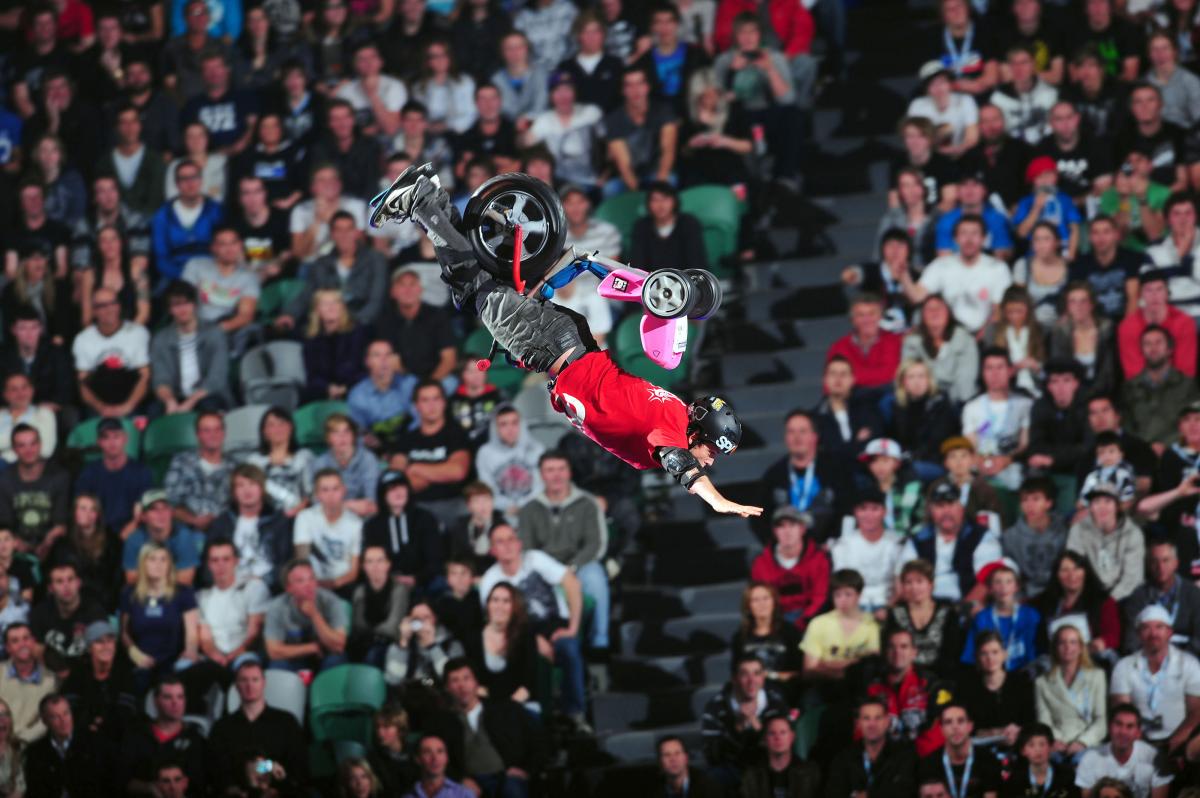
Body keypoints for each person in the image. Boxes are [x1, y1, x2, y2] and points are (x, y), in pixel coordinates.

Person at [478, 523, 588, 728]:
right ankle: (537, 716)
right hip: (517, 634)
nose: (508, 545)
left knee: (569, 647)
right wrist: (534, 641)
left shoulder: (535, 559)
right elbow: (496, 621)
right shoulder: (490, 580)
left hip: (554, 624)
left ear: (519, 543)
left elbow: (572, 583)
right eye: (500, 542)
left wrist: (572, 628)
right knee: (524, 656)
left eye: (511, 539)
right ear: (492, 550)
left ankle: (575, 713)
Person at [516, 451, 608, 652]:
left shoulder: (587, 503)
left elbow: (595, 544)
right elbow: (526, 548)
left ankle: (599, 642)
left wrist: (572, 567)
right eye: (550, 470)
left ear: (569, 472)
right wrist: (551, 572)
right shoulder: (529, 508)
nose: (556, 475)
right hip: (544, 571)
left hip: (579, 566)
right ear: (541, 475)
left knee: (596, 576)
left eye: (561, 469)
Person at [439, 657, 546, 798]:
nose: (462, 685)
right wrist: (459, 779)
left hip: (506, 777)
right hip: (469, 781)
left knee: (512, 790)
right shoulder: (441, 722)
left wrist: (527, 769)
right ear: (447, 687)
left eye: (466, 678)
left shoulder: (503, 710)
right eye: (455, 680)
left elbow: (539, 739)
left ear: (476, 682)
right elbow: (432, 759)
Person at [209, 658, 309, 794]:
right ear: (236, 685)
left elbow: (299, 768)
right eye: (244, 680)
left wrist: (265, 769)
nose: (249, 685)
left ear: (264, 683)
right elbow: (216, 771)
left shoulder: (286, 722)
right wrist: (262, 767)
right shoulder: (222, 728)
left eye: (255, 680)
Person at [1110, 604, 1200, 752]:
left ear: (1170, 632)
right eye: (1146, 628)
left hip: (1179, 740)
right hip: (1135, 741)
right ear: (1138, 634)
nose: (1153, 634)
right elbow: (1121, 711)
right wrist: (1139, 745)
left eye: (1159, 627)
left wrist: (1176, 741)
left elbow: (1196, 711)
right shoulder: (1123, 666)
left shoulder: (1190, 664)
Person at [903, 216, 1013, 335]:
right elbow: (917, 296)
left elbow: (999, 311)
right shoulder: (941, 265)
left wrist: (985, 333)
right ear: (955, 239)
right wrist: (903, 275)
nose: (969, 239)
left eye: (975, 233)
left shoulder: (997, 268)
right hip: (947, 335)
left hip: (985, 335)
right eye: (963, 233)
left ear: (984, 238)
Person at [280, 211, 388, 331]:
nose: (344, 235)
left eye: (349, 230)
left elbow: (376, 300)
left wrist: (355, 323)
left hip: (363, 323)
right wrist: (289, 314)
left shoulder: (375, 260)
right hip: (329, 323)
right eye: (339, 230)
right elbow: (307, 295)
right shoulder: (321, 264)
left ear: (356, 233)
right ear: (332, 234)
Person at [902, 482, 1003, 604]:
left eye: (951, 504)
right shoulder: (918, 539)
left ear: (962, 508)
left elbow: (986, 581)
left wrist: (963, 610)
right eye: (940, 506)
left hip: (965, 607)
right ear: (931, 510)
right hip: (926, 608)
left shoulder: (981, 536)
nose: (946, 512)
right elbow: (903, 578)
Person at [388, 380, 473, 524]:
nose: (431, 406)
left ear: (444, 403)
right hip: (416, 507)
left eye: (436, 399)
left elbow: (457, 471)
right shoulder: (406, 439)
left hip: (453, 503)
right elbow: (396, 481)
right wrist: (440, 473)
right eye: (425, 400)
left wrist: (415, 468)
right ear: (416, 406)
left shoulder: (456, 433)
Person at [861, 626, 952, 757]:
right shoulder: (872, 688)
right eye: (891, 647)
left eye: (904, 647)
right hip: (887, 762)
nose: (897, 652)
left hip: (925, 760)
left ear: (914, 652)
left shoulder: (931, 684)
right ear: (885, 652)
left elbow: (937, 732)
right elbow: (864, 733)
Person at [119, 543, 199, 690]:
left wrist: (189, 652)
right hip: (140, 662)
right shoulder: (129, 593)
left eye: (164, 559)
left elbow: (192, 635)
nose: (159, 564)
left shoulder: (184, 593)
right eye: (153, 559)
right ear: (143, 563)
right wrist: (135, 654)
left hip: (173, 663)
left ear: (170, 564)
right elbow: (124, 633)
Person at [699, 654, 788, 783]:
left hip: (768, 768)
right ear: (734, 679)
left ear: (763, 678)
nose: (751, 680)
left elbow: (785, 750)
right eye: (744, 674)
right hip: (732, 769)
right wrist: (737, 728)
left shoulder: (776, 703)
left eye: (757, 673)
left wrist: (759, 728)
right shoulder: (716, 707)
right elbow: (712, 756)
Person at [150, 279, 232, 415]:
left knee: (209, 406)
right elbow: (160, 379)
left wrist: (190, 402)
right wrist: (169, 401)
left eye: (186, 303)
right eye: (176, 305)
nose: (182, 309)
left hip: (208, 395)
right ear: (170, 309)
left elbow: (216, 379)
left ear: (194, 304)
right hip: (177, 395)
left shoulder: (214, 333)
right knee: (155, 410)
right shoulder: (161, 339)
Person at [207, 464, 295, 589]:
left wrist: (263, 580)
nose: (247, 490)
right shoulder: (222, 523)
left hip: (269, 588)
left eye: (252, 484)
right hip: (230, 588)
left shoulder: (279, 521)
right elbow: (208, 565)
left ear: (262, 488)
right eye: (240, 485)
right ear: (233, 492)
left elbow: (286, 564)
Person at [118, 676, 208, 796]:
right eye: (168, 697)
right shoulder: (137, 736)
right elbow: (122, 780)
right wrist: (148, 788)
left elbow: (201, 785)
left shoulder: (196, 740)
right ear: (156, 701)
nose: (175, 702)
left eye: (180, 697)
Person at [72, 286, 151, 418]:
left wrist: (128, 406)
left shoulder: (138, 333)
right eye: (102, 305)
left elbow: (144, 377)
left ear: (119, 306)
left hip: (132, 403)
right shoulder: (82, 339)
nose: (109, 309)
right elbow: (83, 383)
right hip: (98, 406)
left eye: (113, 303)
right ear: (94, 311)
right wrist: (101, 408)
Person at [958, 628, 1037, 756]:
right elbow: (966, 727)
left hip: (1018, 748)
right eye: (984, 653)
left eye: (995, 652)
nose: (990, 658)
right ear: (976, 657)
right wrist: (993, 733)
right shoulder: (967, 688)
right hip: (980, 752)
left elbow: (1031, 721)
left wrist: (1018, 730)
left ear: (1004, 655)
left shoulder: (1022, 683)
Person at [375, 266, 458, 386]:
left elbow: (449, 359)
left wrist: (429, 385)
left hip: (437, 379)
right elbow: (392, 362)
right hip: (403, 379)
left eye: (412, 284)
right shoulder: (385, 321)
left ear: (420, 290)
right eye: (402, 285)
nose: (408, 290)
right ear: (392, 292)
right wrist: (414, 386)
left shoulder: (438, 316)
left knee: (451, 384)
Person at [1032, 550, 1122, 660]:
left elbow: (1113, 636)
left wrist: (1101, 643)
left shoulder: (1103, 601)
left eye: (1077, 568)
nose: (1072, 575)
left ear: (1085, 571)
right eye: (1064, 570)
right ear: (1056, 575)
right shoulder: (1047, 601)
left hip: (1091, 657)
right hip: (1057, 660)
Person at [1035, 622, 1108, 759]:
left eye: (1073, 642)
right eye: (1062, 643)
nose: (1068, 647)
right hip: (1057, 743)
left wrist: (1082, 742)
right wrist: (1056, 740)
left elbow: (1100, 720)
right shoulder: (1042, 682)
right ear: (1055, 648)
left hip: (1088, 742)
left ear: (1081, 647)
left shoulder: (1097, 676)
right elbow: (1044, 722)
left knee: (1082, 760)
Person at [750, 506, 830, 630]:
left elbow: (820, 597)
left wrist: (803, 621)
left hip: (812, 622)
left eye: (792, 525)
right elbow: (760, 600)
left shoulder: (819, 559)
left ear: (802, 529)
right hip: (776, 624)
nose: (787, 531)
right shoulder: (761, 563)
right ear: (775, 531)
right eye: (781, 526)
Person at [263, 558, 348, 672]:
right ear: (289, 588)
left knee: (336, 659)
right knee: (278, 665)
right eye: (300, 581)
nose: (309, 585)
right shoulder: (277, 607)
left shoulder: (331, 601)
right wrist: (312, 647)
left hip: (324, 657)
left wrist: (315, 615)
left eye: (311, 578)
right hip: (294, 658)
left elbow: (338, 646)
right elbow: (273, 651)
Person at [74, 418, 153, 539]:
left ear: (125, 438)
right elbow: (81, 508)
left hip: (132, 533)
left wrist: (133, 526)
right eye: (106, 437)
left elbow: (146, 510)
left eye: (116, 436)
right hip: (98, 534)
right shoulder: (89, 473)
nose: (112, 443)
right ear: (99, 442)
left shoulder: (141, 472)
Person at [825, 696, 918, 798]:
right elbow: (834, 792)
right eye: (866, 718)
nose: (872, 724)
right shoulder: (843, 759)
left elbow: (906, 791)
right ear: (858, 723)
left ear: (887, 722)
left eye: (878, 718)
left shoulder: (904, 755)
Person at [885, 559, 967, 677]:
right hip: (904, 677)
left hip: (941, 677)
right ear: (902, 586)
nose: (914, 587)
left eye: (919, 581)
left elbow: (951, 654)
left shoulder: (948, 613)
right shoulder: (895, 614)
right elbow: (890, 653)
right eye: (908, 582)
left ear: (931, 585)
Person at [196, 539, 270, 669]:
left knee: (245, 666)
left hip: (245, 654)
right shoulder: (201, 596)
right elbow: (205, 639)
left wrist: (232, 656)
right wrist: (216, 656)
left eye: (226, 559)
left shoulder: (254, 587)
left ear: (236, 561)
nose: (221, 565)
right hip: (214, 656)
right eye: (215, 560)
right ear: (208, 564)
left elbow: (254, 634)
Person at [22, 693, 113, 797]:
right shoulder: (36, 752)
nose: (63, 721)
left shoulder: (94, 743)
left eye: (66, 713)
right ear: (44, 721)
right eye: (55, 717)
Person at [1066, 483, 1145, 601]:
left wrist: (1110, 601)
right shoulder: (1078, 530)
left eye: (1108, 501)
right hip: (1088, 595)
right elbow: (1074, 568)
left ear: (1117, 506)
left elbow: (1132, 578)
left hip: (1125, 595)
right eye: (1096, 501)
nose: (1102, 506)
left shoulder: (1132, 533)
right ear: (1090, 507)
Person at [0, 423, 70, 558]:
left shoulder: (59, 476)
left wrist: (47, 543)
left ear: (40, 445)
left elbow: (60, 523)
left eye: (33, 444)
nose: (29, 450)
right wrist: (17, 543)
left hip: (52, 543)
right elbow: (5, 523)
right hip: (15, 545)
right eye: (22, 445)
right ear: (14, 449)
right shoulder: (4, 480)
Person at [831, 487, 906, 612]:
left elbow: (900, 588)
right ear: (855, 512)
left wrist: (888, 609)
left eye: (875, 509)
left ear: (884, 512)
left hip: (889, 607)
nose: (869, 515)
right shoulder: (843, 545)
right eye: (863, 509)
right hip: (852, 609)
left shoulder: (898, 544)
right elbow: (840, 586)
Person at [60, 618, 137, 739]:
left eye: (110, 641)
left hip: (118, 736)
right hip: (84, 735)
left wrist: (105, 724)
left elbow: (128, 710)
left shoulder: (125, 673)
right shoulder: (78, 674)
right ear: (90, 648)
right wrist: (87, 722)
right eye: (99, 642)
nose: (106, 646)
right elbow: (69, 707)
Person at [1074, 704, 1172, 798]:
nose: (1123, 732)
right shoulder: (1090, 758)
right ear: (1109, 728)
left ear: (1138, 733)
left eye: (1129, 726)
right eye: (1118, 724)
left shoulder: (1155, 758)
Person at [1121, 539, 1200, 656]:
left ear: (1176, 563)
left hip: (1188, 661)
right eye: (1155, 562)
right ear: (1148, 565)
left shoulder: (1193, 594)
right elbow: (1131, 640)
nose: (1160, 567)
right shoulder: (1138, 597)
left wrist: (1179, 660)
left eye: (1165, 560)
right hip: (1148, 662)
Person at [800, 569, 881, 681]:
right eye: (838, 595)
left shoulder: (871, 623)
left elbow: (872, 663)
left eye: (848, 594)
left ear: (859, 595)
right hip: (824, 685)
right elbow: (809, 669)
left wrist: (827, 664)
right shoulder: (818, 623)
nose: (842, 600)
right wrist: (852, 664)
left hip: (859, 686)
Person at [293, 469, 363, 596]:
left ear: (343, 491)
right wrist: (313, 583)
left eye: (335, 489)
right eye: (325, 490)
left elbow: (354, 571)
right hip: (311, 583)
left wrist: (334, 584)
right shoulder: (305, 517)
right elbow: (302, 559)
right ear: (317, 494)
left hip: (343, 584)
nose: (331, 495)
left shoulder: (355, 523)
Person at [30, 561, 106, 676]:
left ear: (78, 583)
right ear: (51, 588)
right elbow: (37, 653)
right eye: (59, 581)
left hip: (87, 675)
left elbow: (104, 651)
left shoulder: (94, 612)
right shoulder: (39, 613)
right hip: (51, 676)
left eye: (70, 579)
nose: (66, 586)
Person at [961, 563, 1042, 671]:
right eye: (998, 582)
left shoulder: (1031, 615)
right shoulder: (982, 618)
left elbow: (1038, 654)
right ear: (990, 588)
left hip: (1025, 676)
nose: (1003, 587)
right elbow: (970, 657)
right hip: (989, 676)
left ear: (1016, 587)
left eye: (1009, 582)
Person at [163, 411, 232, 533]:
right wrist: (193, 520)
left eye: (217, 429)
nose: (213, 435)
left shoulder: (234, 467)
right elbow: (169, 502)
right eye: (207, 430)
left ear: (223, 433)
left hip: (224, 530)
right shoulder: (181, 462)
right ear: (198, 434)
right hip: (186, 528)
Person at [1118, 273, 1197, 380]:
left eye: (1159, 289)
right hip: (1142, 389)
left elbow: (1185, 369)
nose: (1154, 295)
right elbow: (1133, 372)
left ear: (1167, 293)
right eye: (1148, 290)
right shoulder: (1128, 326)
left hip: (1177, 387)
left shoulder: (1184, 323)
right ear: (1141, 295)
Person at [917, 703, 1003, 798]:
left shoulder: (988, 760)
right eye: (948, 722)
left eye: (960, 721)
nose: (955, 727)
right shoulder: (928, 764)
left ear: (970, 726)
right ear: (941, 729)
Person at [1001, 477, 1068, 598]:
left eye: (1036, 499)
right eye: (1025, 500)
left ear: (1048, 503)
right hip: (1025, 597)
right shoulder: (1010, 537)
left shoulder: (1063, 532)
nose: (1029, 505)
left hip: (1060, 594)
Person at [243, 408, 316, 517]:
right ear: (264, 431)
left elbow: (311, 493)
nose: (277, 429)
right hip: (264, 519)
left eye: (282, 423)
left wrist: (295, 512)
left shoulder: (305, 457)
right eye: (271, 425)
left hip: (300, 516)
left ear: (291, 427)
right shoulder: (254, 461)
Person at [474, 405, 544, 519]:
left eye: (514, 423)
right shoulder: (485, 453)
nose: (510, 429)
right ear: (494, 428)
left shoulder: (536, 449)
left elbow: (540, 486)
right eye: (503, 424)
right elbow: (487, 489)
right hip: (499, 513)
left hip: (534, 510)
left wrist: (522, 506)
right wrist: (507, 506)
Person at [350, 339, 419, 451]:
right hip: (378, 452)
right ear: (368, 361)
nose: (384, 360)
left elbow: (421, 424)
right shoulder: (358, 395)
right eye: (377, 355)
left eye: (388, 354)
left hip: (413, 446)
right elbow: (358, 434)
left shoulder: (411, 384)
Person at [1071, 216, 1143, 320]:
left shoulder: (1131, 259)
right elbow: (1077, 300)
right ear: (1090, 237)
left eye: (1106, 232)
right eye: (1095, 233)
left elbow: (1133, 298)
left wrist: (1126, 329)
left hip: (1125, 319)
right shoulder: (1081, 264)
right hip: (1094, 323)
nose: (1101, 238)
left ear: (1116, 235)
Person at [628, 181, 708, 273]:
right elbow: (637, 264)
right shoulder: (641, 227)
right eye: (655, 200)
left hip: (685, 282)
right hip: (651, 282)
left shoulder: (689, 223)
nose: (660, 205)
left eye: (665, 199)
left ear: (674, 201)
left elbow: (697, 262)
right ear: (648, 204)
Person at [311, 413, 380, 518]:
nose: (342, 437)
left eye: (346, 431)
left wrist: (336, 506)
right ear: (328, 438)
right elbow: (317, 503)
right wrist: (349, 506)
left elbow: (372, 504)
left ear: (353, 435)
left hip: (363, 518)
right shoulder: (320, 463)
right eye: (336, 433)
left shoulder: (368, 459)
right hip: (328, 518)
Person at [0, 623, 58, 743]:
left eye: (26, 638)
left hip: (28, 745)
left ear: (33, 641)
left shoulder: (50, 680)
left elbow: (45, 720)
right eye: (15, 641)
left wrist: (21, 740)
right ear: (8, 648)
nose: (22, 645)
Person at [739, 714, 820, 798]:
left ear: (792, 737)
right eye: (772, 733)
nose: (778, 738)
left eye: (783, 732)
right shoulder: (751, 776)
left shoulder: (810, 773)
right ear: (764, 739)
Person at [403, 733, 474, 798]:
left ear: (447, 757)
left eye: (440, 751)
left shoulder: (463, 795)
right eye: (427, 752)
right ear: (417, 759)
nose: (435, 758)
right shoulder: (408, 796)